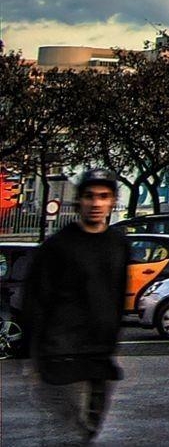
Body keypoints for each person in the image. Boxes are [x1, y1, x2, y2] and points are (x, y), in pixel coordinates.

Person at [19, 167, 129, 445]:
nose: (96, 203)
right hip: (62, 356)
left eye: (103, 196)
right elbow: (34, 301)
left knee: (87, 431)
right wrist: (33, 358)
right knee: (68, 435)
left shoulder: (118, 244)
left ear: (113, 201)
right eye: (90, 196)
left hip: (99, 359)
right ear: (79, 200)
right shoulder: (58, 247)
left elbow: (116, 296)